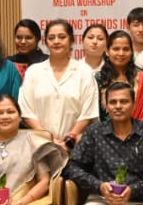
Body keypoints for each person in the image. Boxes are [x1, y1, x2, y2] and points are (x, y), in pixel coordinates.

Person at [19, 19, 98, 153]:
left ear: (71, 40)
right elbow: (26, 111)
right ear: (45, 42)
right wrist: (49, 139)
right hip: (39, 146)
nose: (56, 41)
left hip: (75, 147)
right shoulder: (33, 72)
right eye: (51, 38)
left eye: (62, 37)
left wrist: (69, 140)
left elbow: (88, 112)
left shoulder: (84, 72)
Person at [98, 30, 143, 124]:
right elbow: (93, 115)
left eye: (126, 49)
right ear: (107, 51)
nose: (121, 53)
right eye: (116, 49)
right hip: (103, 132)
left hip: (141, 131)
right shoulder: (98, 79)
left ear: (131, 52)